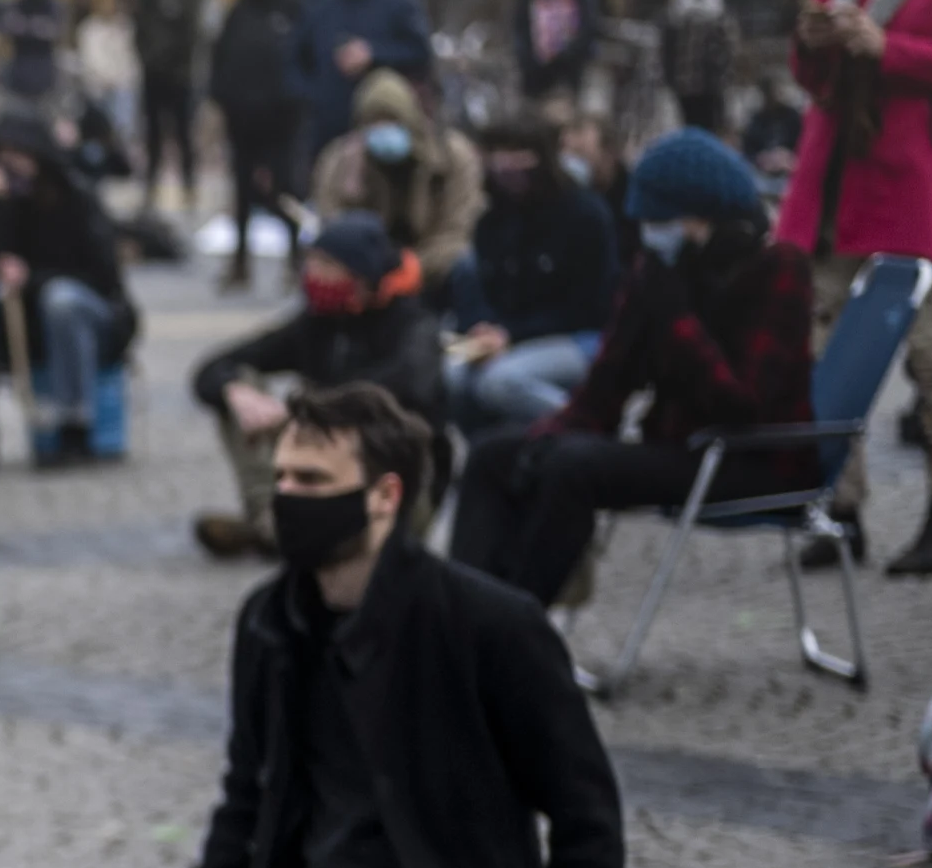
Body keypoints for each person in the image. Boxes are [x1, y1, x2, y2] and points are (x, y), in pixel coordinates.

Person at [0, 382, 630, 868]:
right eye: (280, 477)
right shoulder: (270, 622)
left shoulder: (489, 623)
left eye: (311, 481)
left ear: (384, 496)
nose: (285, 496)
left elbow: (583, 808)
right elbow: (244, 799)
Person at [451, 129, 813, 610]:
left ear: (703, 217)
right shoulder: (659, 271)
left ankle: (514, 626)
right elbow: (604, 389)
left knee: (574, 468)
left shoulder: (778, 267)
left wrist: (674, 315)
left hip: (750, 460)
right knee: (494, 455)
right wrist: (550, 433)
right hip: (677, 449)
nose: (650, 233)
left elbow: (742, 403)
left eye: (661, 220)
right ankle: (463, 617)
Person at [779, 0, 932, 578]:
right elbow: (812, 83)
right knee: (817, 348)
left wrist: (891, 50)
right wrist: (814, 40)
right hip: (834, 186)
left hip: (917, 184)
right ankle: (837, 509)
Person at [187, 213, 447, 560]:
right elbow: (212, 368)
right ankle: (271, 520)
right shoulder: (317, 323)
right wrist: (235, 390)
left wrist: (306, 411)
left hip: (390, 486)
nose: (312, 275)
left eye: (326, 265)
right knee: (241, 384)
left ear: (361, 275)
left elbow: (410, 382)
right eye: (310, 263)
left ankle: (299, 532)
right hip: (324, 465)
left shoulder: (412, 323)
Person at [0, 111, 134, 466]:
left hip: (89, 313)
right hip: (30, 322)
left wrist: (33, 279)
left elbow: (105, 278)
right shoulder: (0, 205)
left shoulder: (75, 199)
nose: (10, 168)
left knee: (60, 301)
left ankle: (76, 422)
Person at [447, 114, 618, 440]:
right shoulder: (492, 221)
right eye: (498, 153)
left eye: (518, 153)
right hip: (507, 338)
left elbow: (591, 305)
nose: (506, 165)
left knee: (499, 382)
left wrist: (511, 334)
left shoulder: (584, 214)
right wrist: (484, 327)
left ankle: (584, 426)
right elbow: (481, 287)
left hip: (578, 336)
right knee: (452, 377)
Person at [305, 68, 479, 304]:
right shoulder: (340, 161)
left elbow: (459, 229)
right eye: (374, 122)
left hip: (434, 268)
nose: (383, 130)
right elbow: (332, 227)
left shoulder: (452, 157)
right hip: (366, 279)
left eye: (391, 120)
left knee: (467, 267)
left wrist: (414, 268)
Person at [292, 0, 432, 164]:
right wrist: (312, 97)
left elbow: (420, 53)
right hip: (329, 127)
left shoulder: (398, 4)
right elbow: (295, 60)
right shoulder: (319, 9)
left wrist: (373, 53)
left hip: (385, 130)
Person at [210, 0, 306, 294]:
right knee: (241, 193)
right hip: (242, 119)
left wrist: (295, 99)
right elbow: (220, 59)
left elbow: (307, 59)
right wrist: (221, 100)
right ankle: (240, 263)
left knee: (287, 189)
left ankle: (297, 259)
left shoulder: (293, 9)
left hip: (283, 120)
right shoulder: (239, 11)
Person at [132, 0, 210, 211]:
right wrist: (148, 58)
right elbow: (140, 31)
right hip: (154, 74)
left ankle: (190, 188)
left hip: (182, 75)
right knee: (152, 133)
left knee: (184, 134)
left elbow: (195, 32)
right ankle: (150, 188)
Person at [665, 0, 738, 138]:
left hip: (710, 86)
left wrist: (722, 78)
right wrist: (670, 77)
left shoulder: (718, 10)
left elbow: (729, 48)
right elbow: (668, 48)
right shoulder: (677, 10)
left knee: (709, 130)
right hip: (684, 85)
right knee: (687, 128)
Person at [0, 0, 66, 108]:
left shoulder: (54, 5)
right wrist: (35, 28)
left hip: (44, 73)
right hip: (20, 72)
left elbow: (54, 31)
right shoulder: (18, 3)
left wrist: (27, 27)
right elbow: (7, 26)